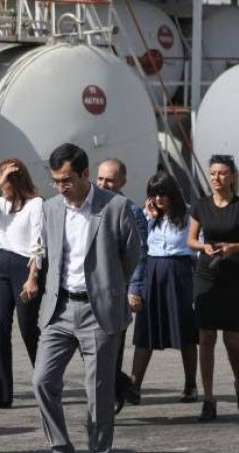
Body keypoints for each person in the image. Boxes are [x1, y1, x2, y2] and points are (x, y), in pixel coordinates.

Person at [24, 143, 139, 453]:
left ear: (86, 174)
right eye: (56, 181)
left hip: (98, 312)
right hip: (59, 309)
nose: (61, 187)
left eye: (67, 180)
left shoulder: (115, 207)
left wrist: (110, 289)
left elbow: (132, 255)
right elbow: (47, 253)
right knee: (42, 381)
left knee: (98, 394)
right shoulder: (50, 208)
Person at [187, 154, 239, 422]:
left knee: (231, 338)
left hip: (234, 275)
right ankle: (208, 399)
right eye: (213, 173)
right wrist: (204, 246)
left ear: (232, 176)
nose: (216, 178)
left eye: (222, 173)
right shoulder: (201, 205)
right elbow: (191, 240)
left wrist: (233, 247)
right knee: (206, 337)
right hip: (206, 273)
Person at [127, 172, 199, 403]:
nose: (158, 199)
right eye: (154, 194)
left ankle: (190, 385)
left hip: (180, 272)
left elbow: (199, 248)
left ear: (173, 194)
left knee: (186, 331)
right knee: (145, 331)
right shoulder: (148, 216)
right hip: (153, 272)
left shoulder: (189, 214)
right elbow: (140, 247)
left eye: (163, 194)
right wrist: (149, 218)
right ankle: (134, 387)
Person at [0, 157, 43, 409]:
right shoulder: (3, 203)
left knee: (28, 328)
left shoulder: (36, 204)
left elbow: (38, 241)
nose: (1, 182)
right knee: (0, 328)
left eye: (3, 178)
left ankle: (47, 380)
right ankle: (0, 393)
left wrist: (33, 276)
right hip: (2, 264)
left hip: (24, 265)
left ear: (15, 179)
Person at [95, 158, 148, 414]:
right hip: (92, 288)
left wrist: (134, 289)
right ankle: (124, 384)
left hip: (118, 289)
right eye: (100, 179)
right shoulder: (90, 207)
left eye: (110, 180)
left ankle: (114, 394)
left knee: (113, 346)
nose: (103, 184)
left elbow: (140, 253)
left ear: (123, 182)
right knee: (90, 348)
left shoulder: (130, 210)